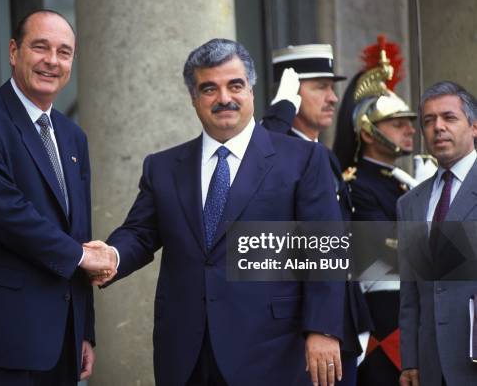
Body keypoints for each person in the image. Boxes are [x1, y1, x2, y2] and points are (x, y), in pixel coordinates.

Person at [85, 38, 345, 386]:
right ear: (194, 99)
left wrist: (323, 329)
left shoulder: (302, 159)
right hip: (186, 352)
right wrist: (113, 255)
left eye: (235, 85)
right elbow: (140, 232)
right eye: (209, 88)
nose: (224, 98)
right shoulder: (163, 167)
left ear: (251, 90)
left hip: (272, 349)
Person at [0, 9, 116, 386]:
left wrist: (84, 330)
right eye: (41, 47)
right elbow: (1, 212)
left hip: (61, 341)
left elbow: (78, 229)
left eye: (64, 52)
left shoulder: (73, 137)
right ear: (13, 51)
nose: (52, 61)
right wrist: (84, 257)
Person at [261, 44, 373, 386]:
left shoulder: (322, 156)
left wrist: (356, 320)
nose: (333, 98)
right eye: (320, 87)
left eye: (332, 87)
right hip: (298, 334)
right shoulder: (274, 150)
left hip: (338, 330)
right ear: (292, 94)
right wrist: (278, 113)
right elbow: (256, 160)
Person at [333, 36, 417, 385]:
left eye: (410, 121)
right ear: (368, 131)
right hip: (386, 321)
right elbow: (386, 252)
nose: (411, 130)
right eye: (398, 123)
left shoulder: (407, 180)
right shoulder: (354, 185)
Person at [398, 81, 477, 386]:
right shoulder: (410, 204)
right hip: (432, 366)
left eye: (449, 118)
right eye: (429, 121)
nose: (438, 127)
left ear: (473, 127)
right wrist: (411, 360)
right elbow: (410, 293)